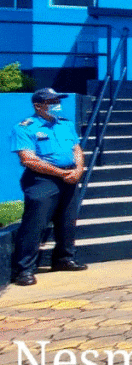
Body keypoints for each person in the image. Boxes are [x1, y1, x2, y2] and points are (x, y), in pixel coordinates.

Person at [10, 88, 88, 286]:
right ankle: (24, 269)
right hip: (42, 180)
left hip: (70, 177)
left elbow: (76, 148)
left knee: (67, 221)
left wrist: (79, 168)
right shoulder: (25, 127)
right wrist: (61, 173)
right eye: (50, 101)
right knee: (34, 225)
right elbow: (28, 159)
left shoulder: (65, 124)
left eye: (56, 100)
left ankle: (64, 258)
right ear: (38, 105)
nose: (55, 103)